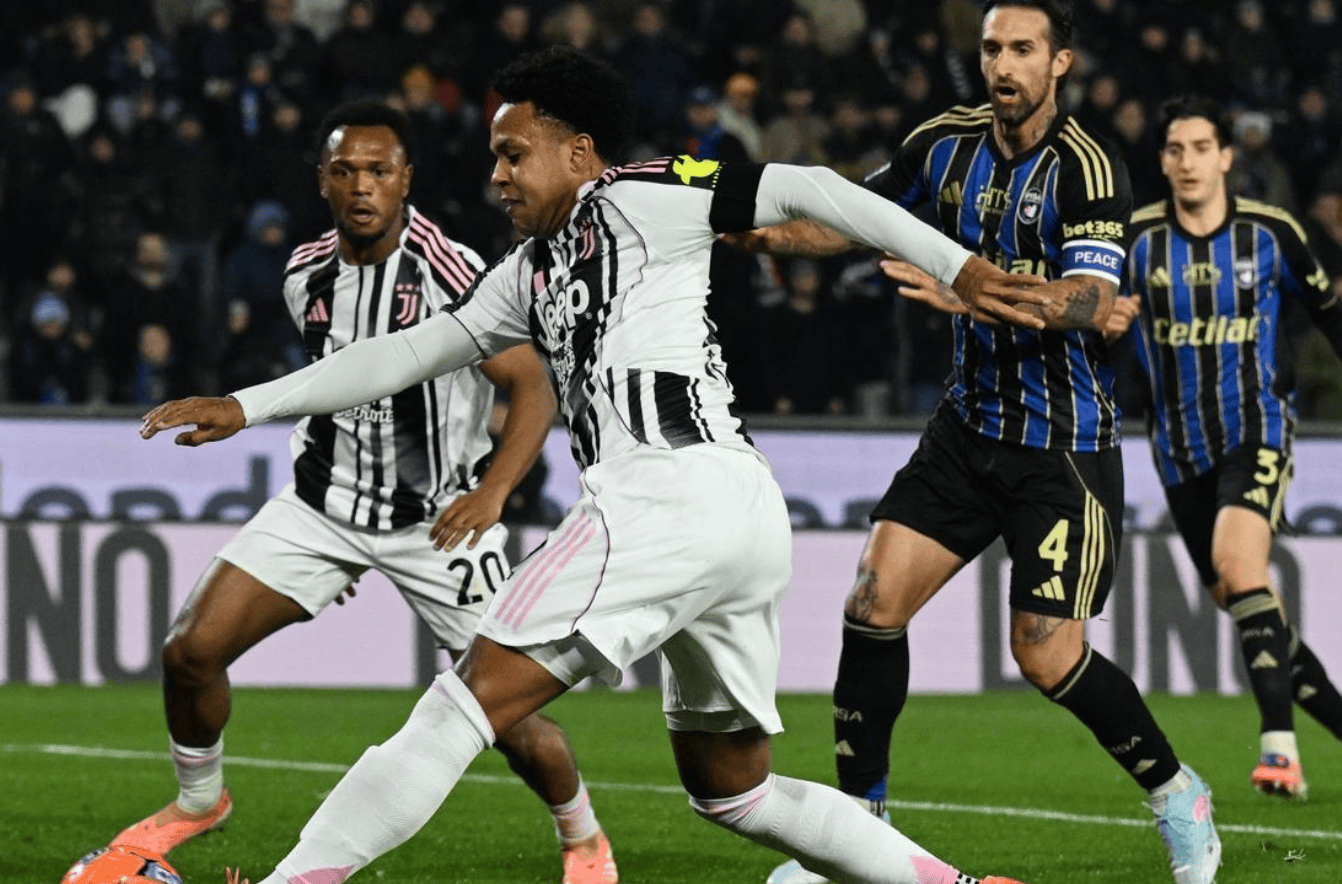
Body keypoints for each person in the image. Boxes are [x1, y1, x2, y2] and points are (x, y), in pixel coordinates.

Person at [142, 46, 1049, 884]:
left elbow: (809, 186)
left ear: (577, 152)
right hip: (737, 511)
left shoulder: (649, 194)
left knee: (459, 707)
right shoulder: (527, 271)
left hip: (660, 497)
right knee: (734, 789)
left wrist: (960, 268)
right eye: (494, 157)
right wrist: (247, 404)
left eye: (514, 154)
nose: (497, 175)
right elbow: (406, 352)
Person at [727, 4, 1222, 884]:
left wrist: (970, 291)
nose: (1003, 64)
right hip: (968, 429)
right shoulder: (942, 142)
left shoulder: (1089, 169)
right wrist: (759, 231)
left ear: (1059, 62)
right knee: (871, 605)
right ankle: (857, 836)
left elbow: (1090, 303)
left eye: (1022, 49)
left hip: (1061, 446)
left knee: (1045, 654)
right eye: (992, 47)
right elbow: (853, 218)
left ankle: (1178, 793)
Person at [116, 98, 620, 884]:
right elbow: (331, 385)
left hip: (439, 523)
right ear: (322, 180)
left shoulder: (450, 270)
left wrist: (493, 492)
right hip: (323, 508)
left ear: (405, 179)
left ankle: (584, 839)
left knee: (509, 718)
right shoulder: (304, 273)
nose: (362, 186)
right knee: (190, 651)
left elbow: (533, 384)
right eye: (345, 170)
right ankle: (199, 800)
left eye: (379, 171)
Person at [1106, 94, 1342, 800]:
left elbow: (1330, 314)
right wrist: (1104, 323)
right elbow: (1090, 322)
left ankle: (1279, 751)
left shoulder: (1271, 233)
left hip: (1257, 429)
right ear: (1162, 161)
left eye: (1202, 148)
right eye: (1176, 150)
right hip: (1178, 455)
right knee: (1253, 608)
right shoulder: (1135, 241)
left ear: (1227, 157)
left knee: (1242, 569)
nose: (1188, 162)